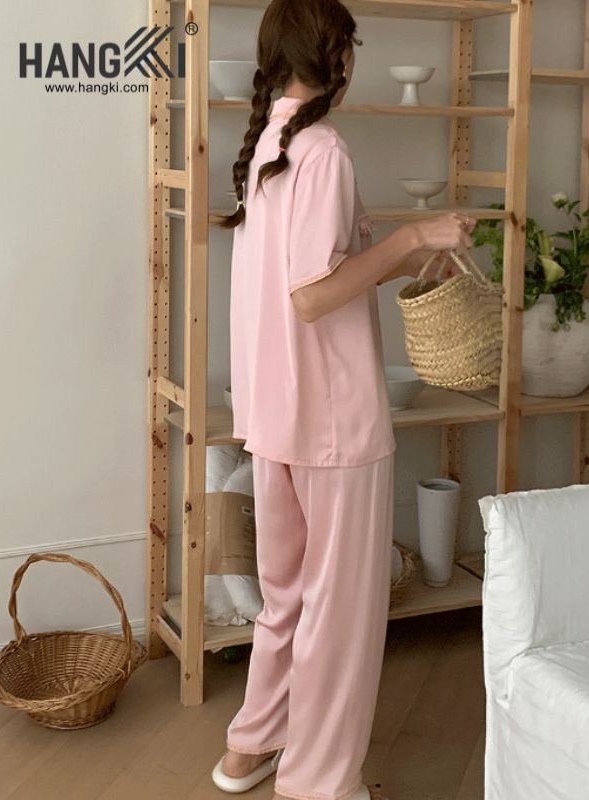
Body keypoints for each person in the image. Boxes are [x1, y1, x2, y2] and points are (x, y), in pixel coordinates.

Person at [210, 1, 476, 799]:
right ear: (337, 56)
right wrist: (414, 236)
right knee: (341, 610)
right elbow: (313, 296)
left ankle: (250, 747)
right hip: (332, 419)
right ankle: (320, 781)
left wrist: (408, 256)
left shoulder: (269, 143)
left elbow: (322, 272)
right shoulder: (322, 148)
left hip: (276, 415)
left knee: (287, 598)